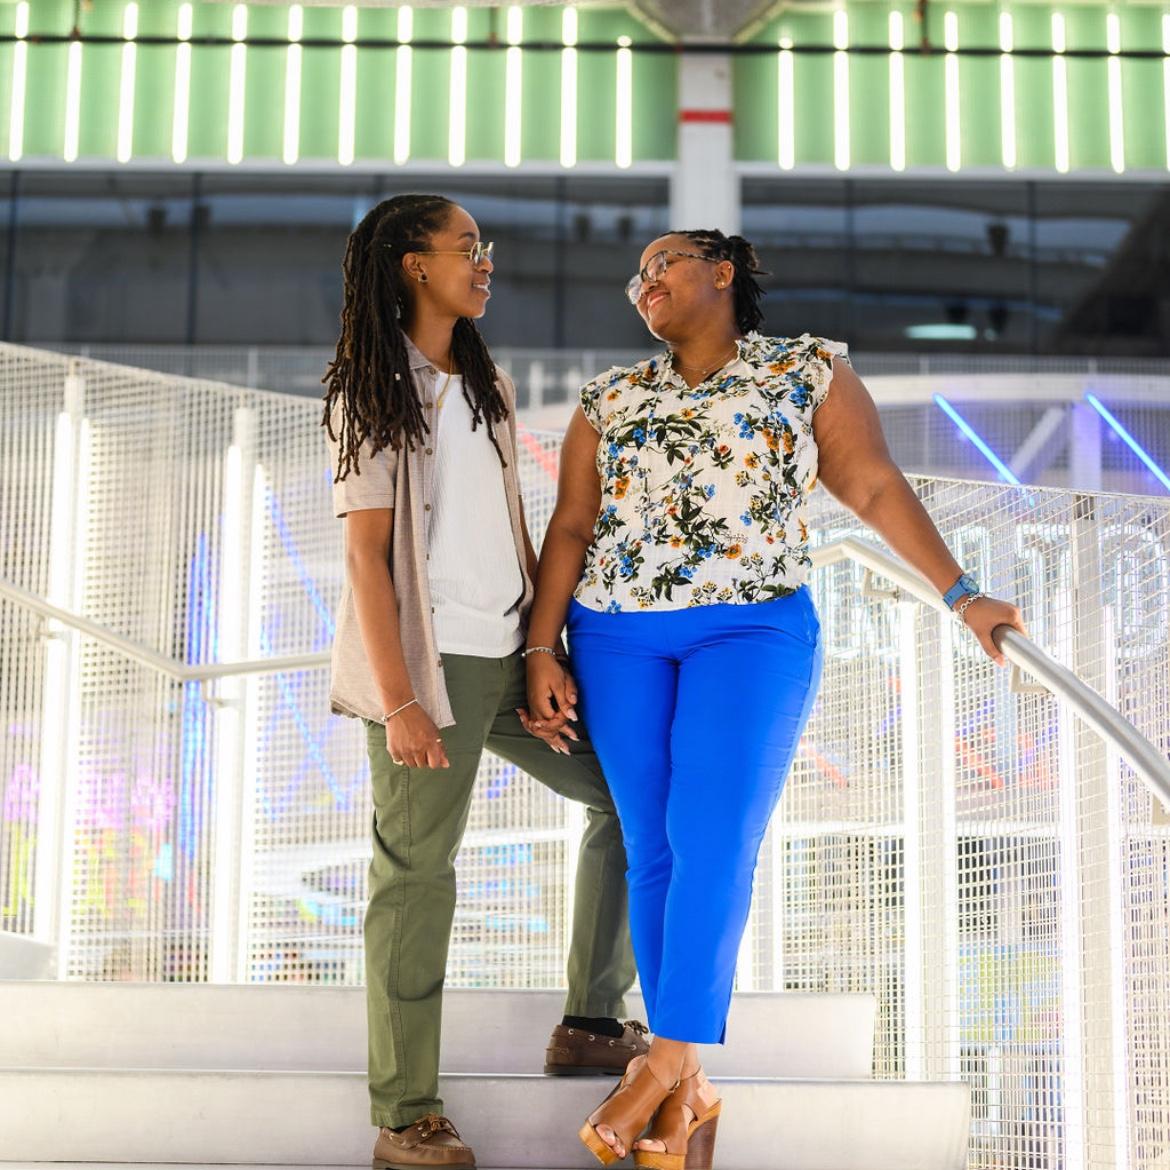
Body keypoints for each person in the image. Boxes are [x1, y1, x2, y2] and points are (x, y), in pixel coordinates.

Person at [519, 228, 1028, 1169]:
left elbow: (871, 484)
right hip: (615, 635)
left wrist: (963, 596)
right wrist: (541, 646)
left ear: (723, 272)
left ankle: (659, 1068)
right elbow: (573, 526)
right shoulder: (610, 396)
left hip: (751, 631)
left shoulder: (805, 369)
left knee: (713, 837)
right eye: (636, 276)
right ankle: (689, 1091)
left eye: (664, 263)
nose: (644, 282)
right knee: (653, 847)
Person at [322, 193, 646, 1170]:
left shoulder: (486, 385)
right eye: (468, 246)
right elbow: (365, 558)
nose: (486, 261)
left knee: (628, 798)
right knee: (416, 880)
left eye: (486, 246)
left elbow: (508, 530)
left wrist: (542, 651)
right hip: (429, 670)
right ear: (414, 264)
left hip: (509, 659)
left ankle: (591, 1020)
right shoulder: (370, 388)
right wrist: (402, 699)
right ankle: (405, 1115)